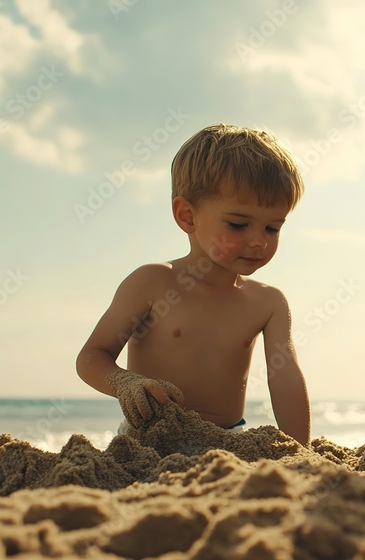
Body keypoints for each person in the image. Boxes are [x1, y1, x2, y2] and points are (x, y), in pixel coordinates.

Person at [76, 124, 311, 446]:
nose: (258, 241)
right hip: (150, 439)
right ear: (187, 216)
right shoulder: (153, 282)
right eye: (238, 224)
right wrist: (125, 382)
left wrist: (301, 452)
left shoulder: (268, 303)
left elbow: (285, 380)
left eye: (272, 228)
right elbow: (92, 357)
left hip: (230, 440)